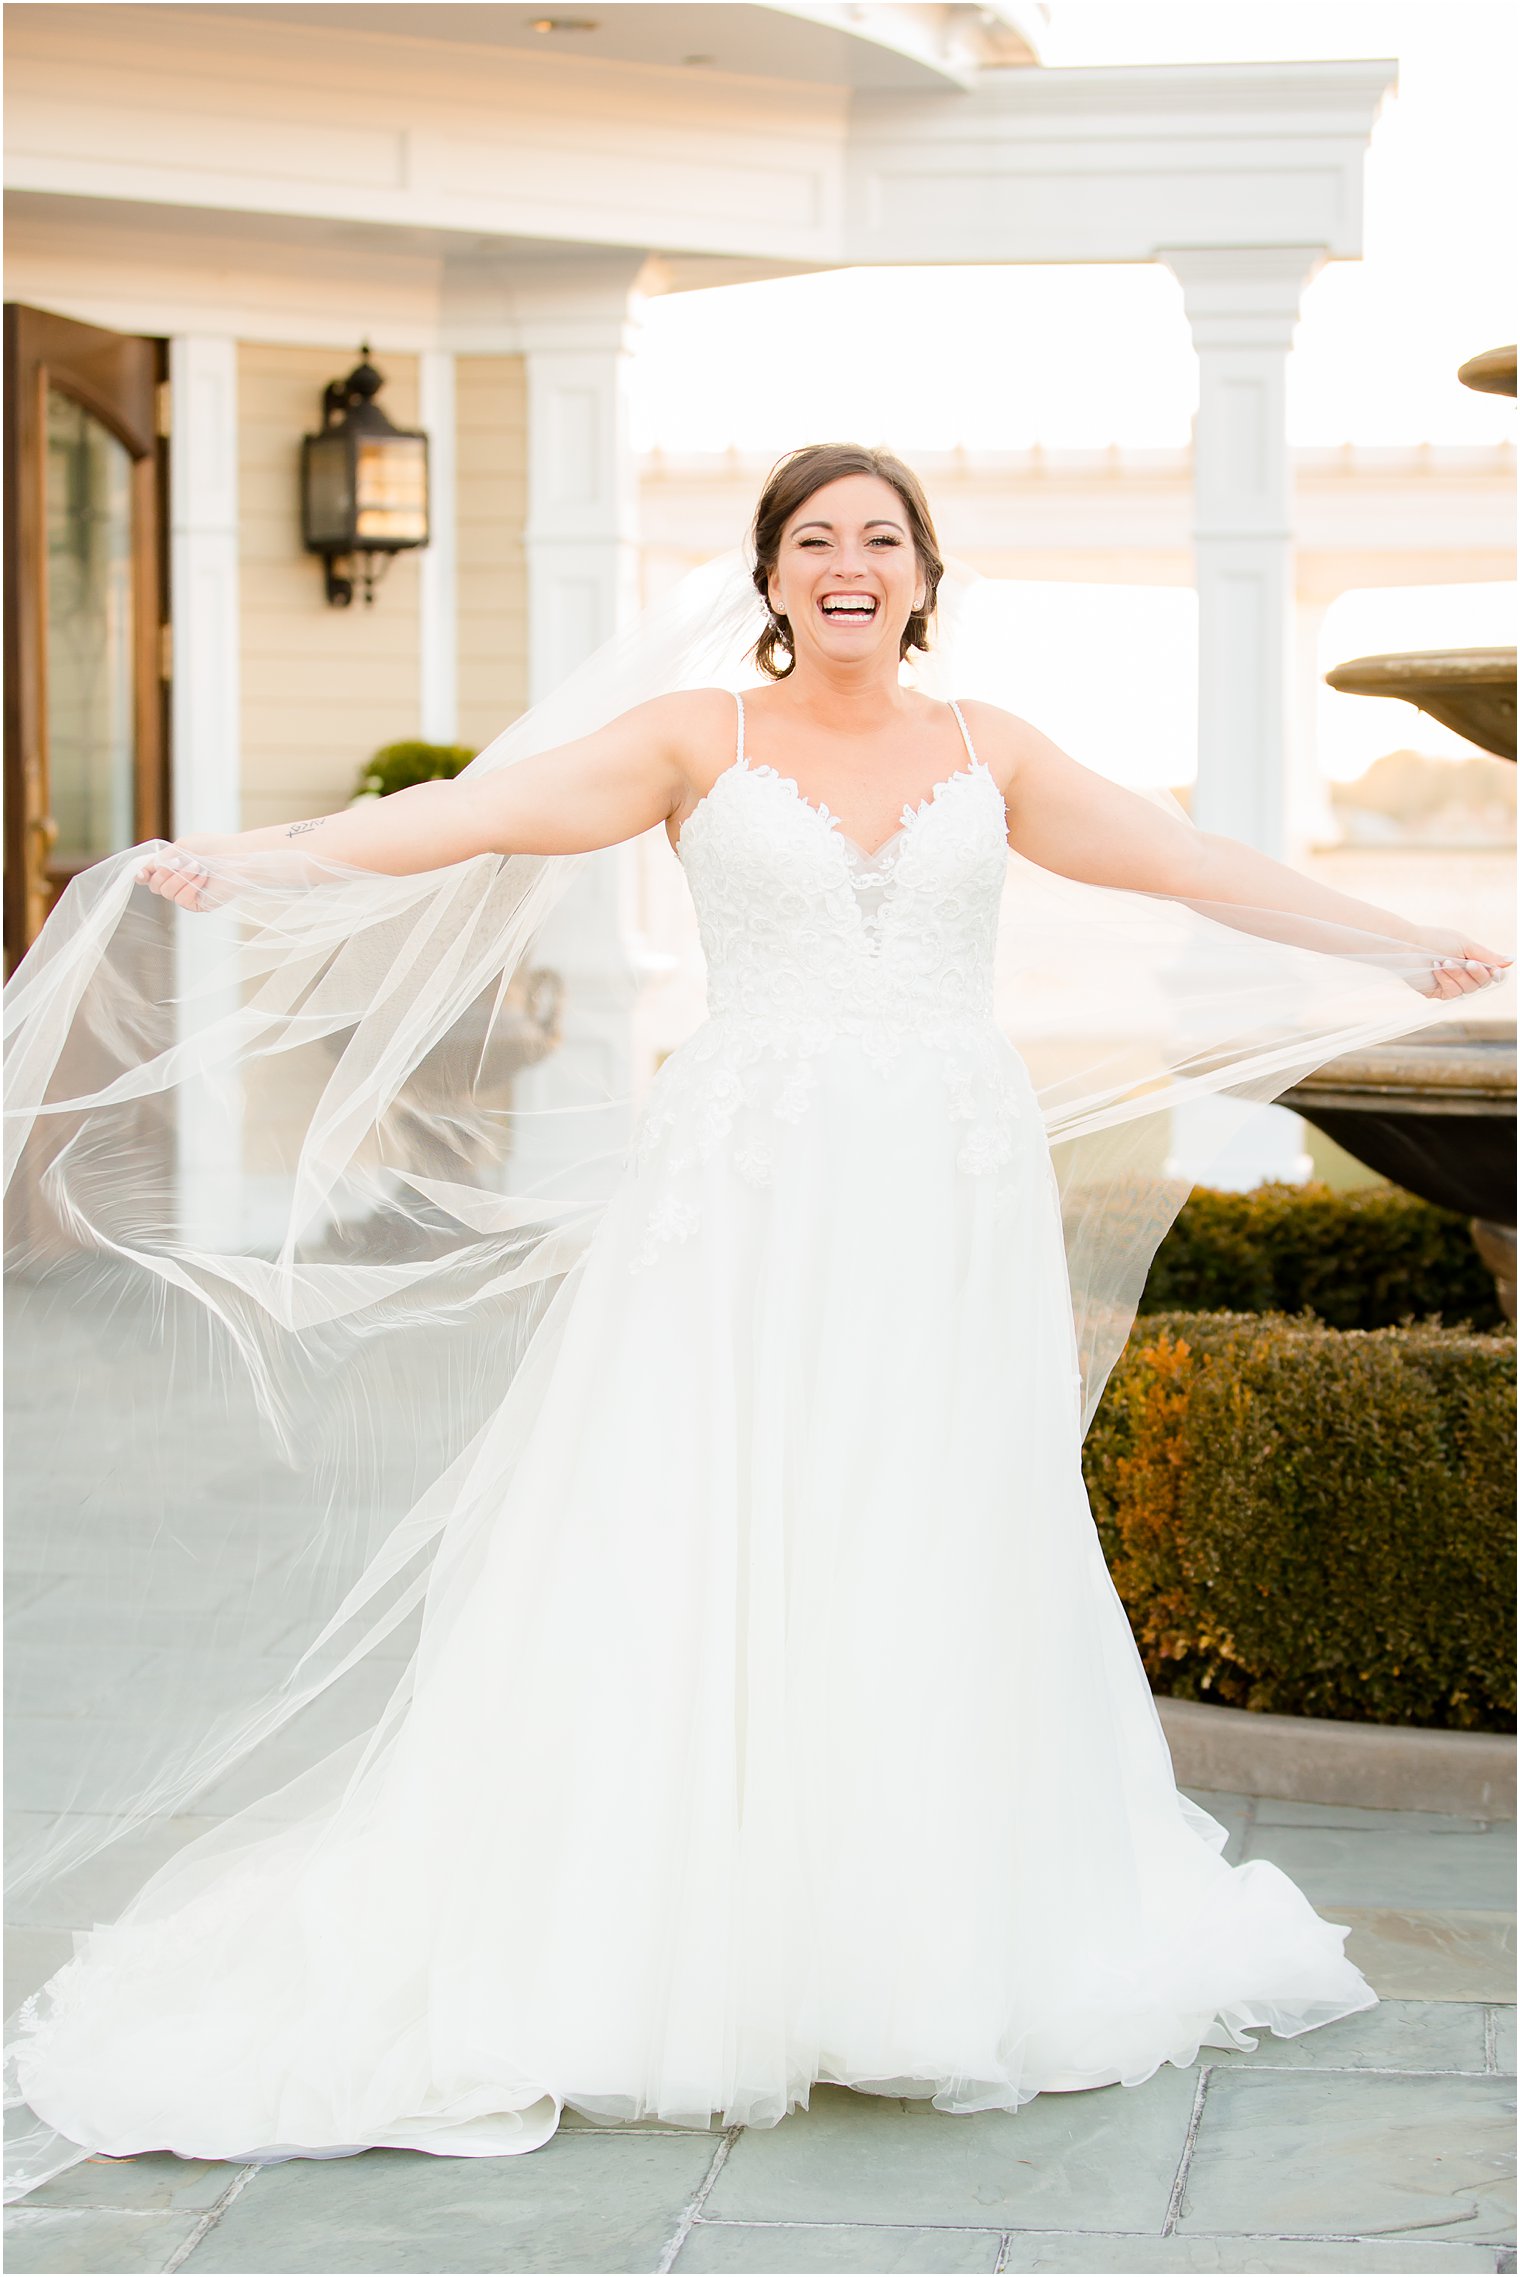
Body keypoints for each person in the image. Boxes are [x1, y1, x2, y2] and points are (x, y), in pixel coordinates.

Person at [4, 444, 1507, 2196]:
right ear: (774, 576)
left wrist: (1391, 935)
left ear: (925, 576)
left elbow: (1178, 861)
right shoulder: (694, 741)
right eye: (816, 540)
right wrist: (270, 858)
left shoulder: (988, 749)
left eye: (881, 538)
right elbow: (482, 809)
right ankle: (693, 1931)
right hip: (750, 1195)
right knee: (719, 1521)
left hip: (946, 1187)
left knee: (931, 1526)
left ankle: (926, 1935)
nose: (849, 564)